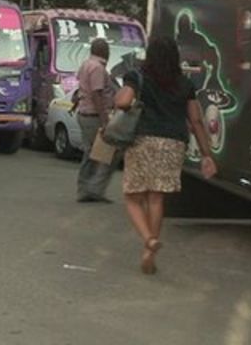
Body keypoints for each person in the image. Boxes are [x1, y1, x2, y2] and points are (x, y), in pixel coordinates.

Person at [114, 36, 217, 275]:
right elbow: (196, 120)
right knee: (156, 198)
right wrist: (206, 155)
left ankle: (149, 240)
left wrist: (123, 95)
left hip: (143, 141)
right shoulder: (184, 84)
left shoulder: (137, 76)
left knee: (132, 196)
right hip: (173, 144)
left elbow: (124, 102)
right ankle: (149, 251)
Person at [74, 38, 115, 203]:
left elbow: (82, 88)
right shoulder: (98, 68)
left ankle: (86, 189)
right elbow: (97, 93)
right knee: (103, 154)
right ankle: (93, 189)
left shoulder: (86, 64)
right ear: (105, 52)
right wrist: (105, 120)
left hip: (84, 113)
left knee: (91, 153)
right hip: (93, 116)